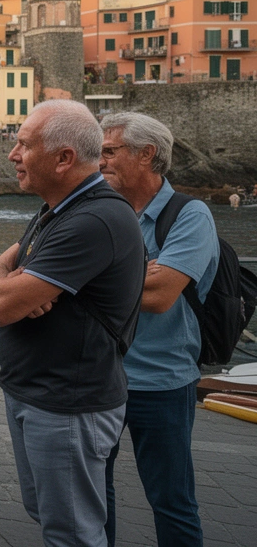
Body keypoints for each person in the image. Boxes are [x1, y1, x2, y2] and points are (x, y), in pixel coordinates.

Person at [0, 100, 145, 547]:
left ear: (64, 158)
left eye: (24, 144)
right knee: (50, 516)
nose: (13, 154)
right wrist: (6, 279)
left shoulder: (94, 219)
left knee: (71, 533)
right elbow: (2, 270)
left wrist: (4, 283)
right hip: (39, 395)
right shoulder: (57, 209)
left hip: (67, 405)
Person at [99, 113, 216, 547]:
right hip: (101, 379)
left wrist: (89, 278)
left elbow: (160, 295)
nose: (99, 161)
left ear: (146, 154)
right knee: (94, 495)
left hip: (162, 381)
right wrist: (138, 272)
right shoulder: (103, 211)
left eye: (110, 152)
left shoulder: (190, 215)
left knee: (172, 501)